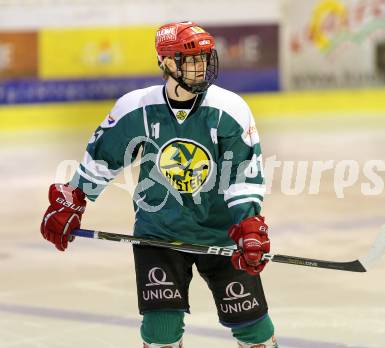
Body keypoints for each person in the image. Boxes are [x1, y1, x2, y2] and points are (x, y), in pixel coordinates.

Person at [41, 21, 278, 348]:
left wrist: (248, 223)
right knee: (160, 331)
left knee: (253, 329)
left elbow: (243, 171)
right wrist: (75, 198)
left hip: (221, 233)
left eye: (205, 59)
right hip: (160, 231)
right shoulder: (135, 107)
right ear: (166, 62)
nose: (201, 68)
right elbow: (102, 158)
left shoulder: (230, 108)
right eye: (190, 60)